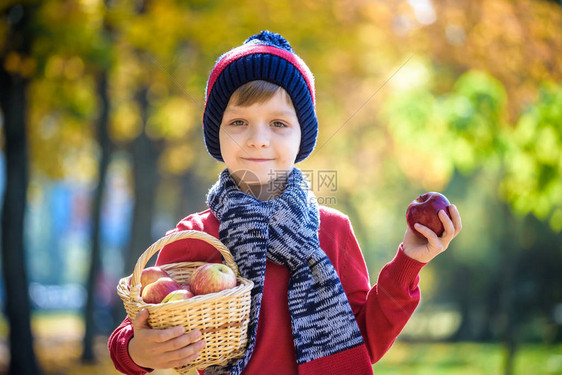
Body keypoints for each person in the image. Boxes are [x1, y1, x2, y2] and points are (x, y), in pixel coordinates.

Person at [108, 30, 462, 375]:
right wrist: (138, 351)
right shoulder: (196, 236)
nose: (258, 140)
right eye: (238, 122)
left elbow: (365, 342)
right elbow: (134, 327)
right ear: (217, 134)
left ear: (301, 137)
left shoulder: (332, 230)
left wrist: (410, 262)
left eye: (278, 123)